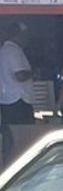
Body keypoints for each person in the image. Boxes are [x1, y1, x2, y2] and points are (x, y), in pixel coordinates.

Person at [0, 21, 35, 164]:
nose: (27, 39)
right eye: (26, 35)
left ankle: (10, 164)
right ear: (18, 35)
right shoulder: (13, 51)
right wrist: (34, 73)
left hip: (8, 99)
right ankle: (19, 164)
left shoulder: (3, 50)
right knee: (21, 137)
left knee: (10, 137)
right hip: (18, 100)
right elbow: (20, 75)